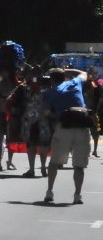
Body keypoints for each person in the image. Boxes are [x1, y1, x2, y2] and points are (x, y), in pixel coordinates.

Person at [42, 66, 92, 204]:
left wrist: (53, 113)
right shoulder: (75, 82)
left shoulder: (52, 92)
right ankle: (77, 195)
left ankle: (50, 191)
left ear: (52, 80)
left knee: (54, 161)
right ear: (64, 76)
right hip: (81, 126)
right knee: (78, 165)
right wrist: (69, 71)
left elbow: (45, 112)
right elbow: (84, 73)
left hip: (64, 127)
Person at [13, 72, 51, 177]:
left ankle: (40, 168)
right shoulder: (24, 91)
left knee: (40, 145)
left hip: (40, 122)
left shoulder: (45, 92)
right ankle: (34, 169)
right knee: (32, 146)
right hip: (30, 122)